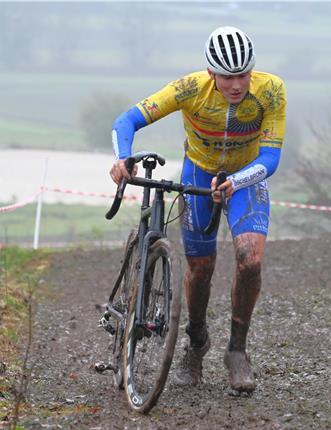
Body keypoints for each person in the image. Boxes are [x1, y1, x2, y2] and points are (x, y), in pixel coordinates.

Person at [110, 26, 286, 393]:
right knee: (201, 266)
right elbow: (127, 121)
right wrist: (122, 158)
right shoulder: (189, 89)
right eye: (227, 77)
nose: (236, 85)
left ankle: (237, 351)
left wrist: (236, 182)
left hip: (246, 177)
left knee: (250, 259)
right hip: (199, 172)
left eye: (243, 74)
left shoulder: (271, 90)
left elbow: (271, 157)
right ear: (211, 74)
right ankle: (196, 339)